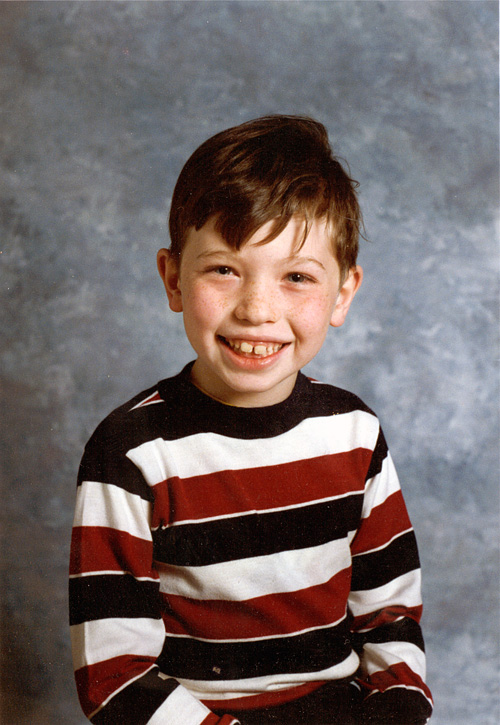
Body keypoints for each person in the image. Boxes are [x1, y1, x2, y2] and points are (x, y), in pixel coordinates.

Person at [69, 115, 433, 724]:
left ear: (342, 294)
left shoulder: (354, 433)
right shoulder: (131, 452)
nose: (258, 310)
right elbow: (114, 674)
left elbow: (389, 615)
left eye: (296, 277)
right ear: (172, 278)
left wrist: (393, 710)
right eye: (223, 270)